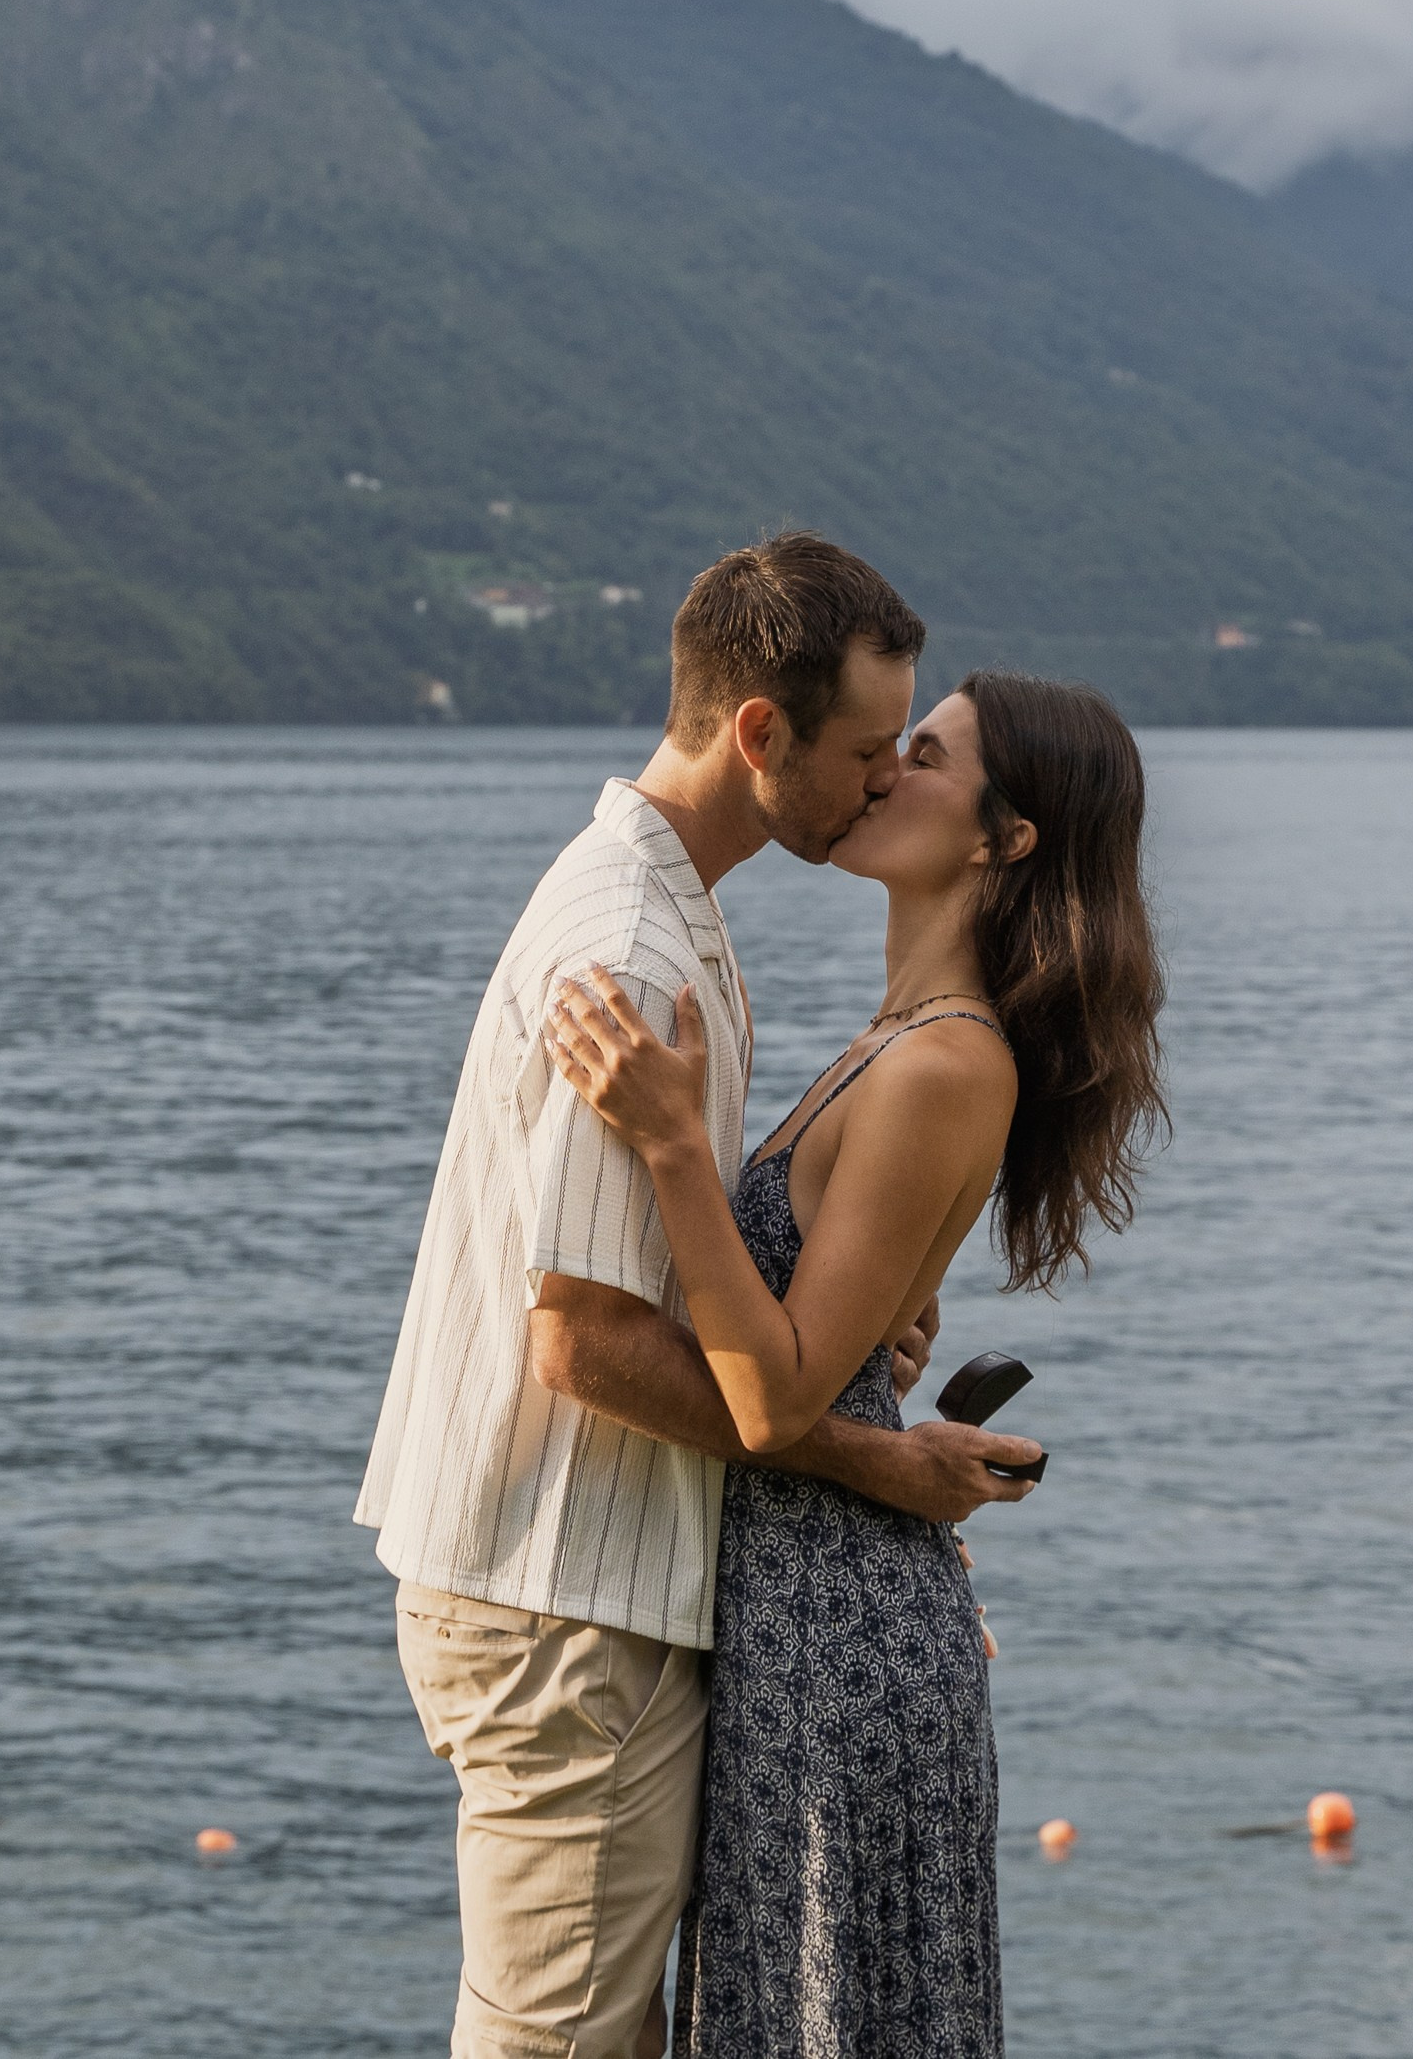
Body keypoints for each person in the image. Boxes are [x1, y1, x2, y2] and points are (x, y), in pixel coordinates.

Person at [357, 536, 1044, 2059]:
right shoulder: (634, 945)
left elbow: (685, 1295)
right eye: (871, 749)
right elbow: (586, 1335)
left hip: (588, 1588)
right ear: (760, 733)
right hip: (566, 1596)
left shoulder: (679, 917)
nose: (879, 781)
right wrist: (885, 1464)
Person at [546, 669, 1167, 2059]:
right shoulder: (893, 1040)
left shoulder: (946, 1063)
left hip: (841, 1650)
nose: (881, 772)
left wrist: (665, 1148)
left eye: (924, 757)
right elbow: (815, 1341)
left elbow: (770, 1399)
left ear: (1003, 838)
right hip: (802, 1618)